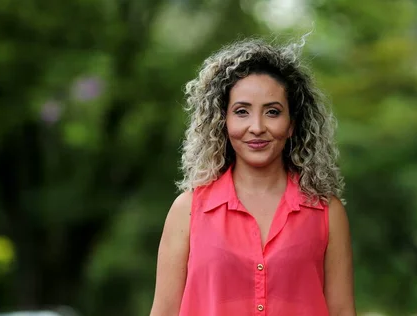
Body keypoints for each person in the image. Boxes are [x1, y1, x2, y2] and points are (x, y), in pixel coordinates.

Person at [150, 36, 356, 316]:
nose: (257, 127)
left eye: (272, 112)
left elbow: (342, 311)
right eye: (242, 112)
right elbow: (163, 311)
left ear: (292, 124)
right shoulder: (187, 211)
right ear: (223, 121)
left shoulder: (327, 213)